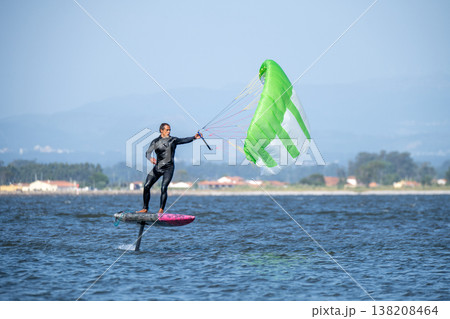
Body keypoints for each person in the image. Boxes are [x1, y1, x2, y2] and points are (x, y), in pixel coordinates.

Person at [136, 123, 201, 214]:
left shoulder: (173, 140)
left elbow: (184, 140)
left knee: (163, 187)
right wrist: (150, 158)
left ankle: (161, 210)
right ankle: (145, 208)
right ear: (161, 130)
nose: (169, 131)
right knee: (146, 186)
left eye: (169, 130)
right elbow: (147, 153)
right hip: (158, 167)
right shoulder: (155, 142)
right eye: (167, 130)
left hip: (168, 168)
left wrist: (194, 137)